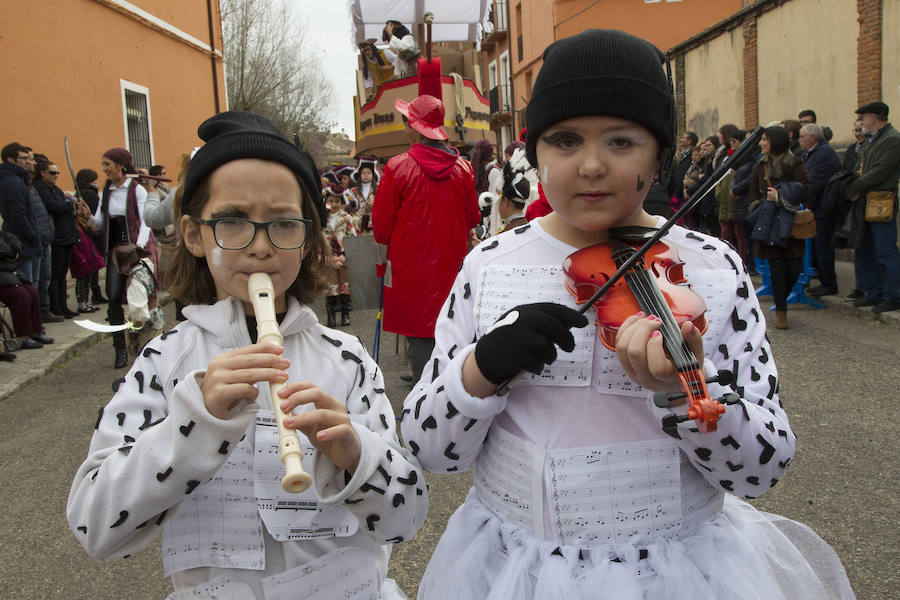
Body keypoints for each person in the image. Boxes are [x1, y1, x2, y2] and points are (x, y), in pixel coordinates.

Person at [401, 29, 854, 600]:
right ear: (533, 151)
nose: (591, 166)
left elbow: (761, 470)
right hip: (518, 568)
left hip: (677, 572)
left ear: (659, 153)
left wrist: (689, 388)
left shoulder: (711, 269)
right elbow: (428, 450)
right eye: (565, 141)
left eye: (621, 142)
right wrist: (480, 370)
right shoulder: (491, 265)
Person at [66, 111, 427, 600]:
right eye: (233, 222)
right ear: (194, 235)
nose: (260, 246)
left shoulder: (346, 357)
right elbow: (96, 528)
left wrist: (357, 455)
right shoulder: (164, 361)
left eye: (283, 224)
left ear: (308, 238)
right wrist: (193, 425)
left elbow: (407, 519)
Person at [372, 94, 480, 382]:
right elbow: (473, 219)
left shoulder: (396, 168)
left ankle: (422, 389)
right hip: (452, 270)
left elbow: (381, 228)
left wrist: (382, 269)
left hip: (411, 272)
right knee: (453, 328)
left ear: (413, 126)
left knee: (418, 332)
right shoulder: (463, 169)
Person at [92, 147, 158, 368]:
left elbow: (146, 220)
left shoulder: (136, 190)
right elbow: (100, 223)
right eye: (103, 165)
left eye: (107, 164)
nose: (104, 169)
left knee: (141, 298)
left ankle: (144, 344)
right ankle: (120, 348)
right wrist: (87, 219)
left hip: (136, 251)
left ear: (120, 165)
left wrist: (138, 248)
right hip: (115, 254)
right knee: (112, 296)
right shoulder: (106, 191)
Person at [749, 126, 810, 330]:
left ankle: (783, 298)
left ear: (775, 140)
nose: (761, 143)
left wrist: (782, 197)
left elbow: (805, 188)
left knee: (793, 268)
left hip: (790, 222)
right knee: (777, 268)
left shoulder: (794, 162)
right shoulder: (761, 164)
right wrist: (759, 204)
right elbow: (753, 191)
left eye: (765, 139)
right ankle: (781, 311)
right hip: (769, 222)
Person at [844, 101, 900, 313]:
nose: (862, 121)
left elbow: (879, 171)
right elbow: (858, 167)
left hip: (881, 201)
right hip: (864, 201)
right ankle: (873, 291)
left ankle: (893, 295)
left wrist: (852, 187)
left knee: (885, 250)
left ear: (875, 118)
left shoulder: (892, 139)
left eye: (864, 117)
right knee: (865, 248)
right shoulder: (871, 140)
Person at [799, 124, 843, 298]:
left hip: (823, 207)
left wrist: (800, 197)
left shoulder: (824, 153)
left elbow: (813, 182)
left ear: (813, 138)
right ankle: (822, 280)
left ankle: (829, 283)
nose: (800, 140)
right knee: (818, 246)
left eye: (802, 137)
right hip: (814, 207)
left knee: (824, 246)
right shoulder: (811, 153)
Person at [34, 159, 79, 317]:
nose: (56, 176)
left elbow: (62, 206)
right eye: (52, 173)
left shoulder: (57, 190)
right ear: (42, 173)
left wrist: (66, 204)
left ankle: (63, 305)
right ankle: (56, 307)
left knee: (62, 275)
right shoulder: (41, 189)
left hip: (67, 235)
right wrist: (69, 203)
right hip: (56, 236)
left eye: (58, 173)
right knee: (54, 275)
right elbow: (54, 207)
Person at [0, 230, 54, 351]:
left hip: (8, 272)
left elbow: (15, 244)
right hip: (3, 276)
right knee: (21, 296)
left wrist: (12, 253)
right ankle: (23, 336)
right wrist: (10, 253)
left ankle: (35, 332)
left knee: (32, 291)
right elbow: (5, 251)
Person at [323, 184, 357, 327]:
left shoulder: (347, 218)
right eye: (331, 201)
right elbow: (317, 238)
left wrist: (346, 254)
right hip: (328, 258)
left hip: (344, 257)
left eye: (337, 201)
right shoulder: (321, 219)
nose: (334, 204)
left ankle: (345, 314)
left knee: (345, 286)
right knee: (331, 287)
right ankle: (331, 316)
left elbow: (353, 236)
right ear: (325, 202)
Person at [75, 168, 108, 307]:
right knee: (93, 265)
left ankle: (94, 294)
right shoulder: (90, 194)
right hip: (92, 234)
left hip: (87, 233)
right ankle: (94, 294)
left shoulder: (80, 193)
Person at [346, 156, 379, 232]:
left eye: (369, 173)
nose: (366, 175)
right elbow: (349, 207)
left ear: (373, 175)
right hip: (356, 223)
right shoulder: (353, 191)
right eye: (363, 173)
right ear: (360, 175)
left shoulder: (378, 190)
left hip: (373, 222)